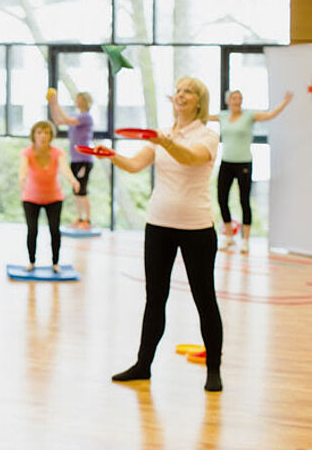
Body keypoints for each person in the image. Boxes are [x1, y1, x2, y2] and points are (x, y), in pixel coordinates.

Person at [93, 77, 223, 392]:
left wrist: (165, 143)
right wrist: (112, 155)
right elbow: (135, 164)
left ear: (199, 101)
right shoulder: (162, 134)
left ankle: (213, 370)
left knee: (204, 299)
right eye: (178, 90)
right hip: (159, 224)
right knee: (155, 298)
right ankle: (143, 365)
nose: (181, 95)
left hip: (197, 228)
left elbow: (190, 158)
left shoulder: (207, 135)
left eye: (188, 91)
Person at [208, 90, 293, 253]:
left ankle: (245, 240)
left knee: (244, 200)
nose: (237, 101)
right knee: (222, 199)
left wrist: (284, 103)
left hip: (244, 163)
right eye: (234, 98)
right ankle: (229, 236)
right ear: (228, 101)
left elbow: (269, 115)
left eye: (240, 98)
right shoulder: (222, 116)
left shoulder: (249, 116)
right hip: (226, 162)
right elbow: (201, 116)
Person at [19, 120, 80, 273]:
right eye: (39, 132)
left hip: (54, 198)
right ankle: (31, 262)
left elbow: (64, 169)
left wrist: (73, 180)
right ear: (33, 135)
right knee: (32, 230)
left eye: (46, 133)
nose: (43, 136)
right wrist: (22, 179)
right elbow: (23, 169)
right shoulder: (27, 152)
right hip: (31, 198)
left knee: (54, 230)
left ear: (51, 136)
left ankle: (55, 263)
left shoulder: (57, 152)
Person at [47, 89, 95, 229]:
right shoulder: (76, 115)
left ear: (86, 102)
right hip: (75, 158)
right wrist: (52, 104)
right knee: (76, 190)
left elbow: (67, 120)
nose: (77, 101)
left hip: (84, 159)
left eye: (80, 99)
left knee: (82, 190)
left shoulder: (86, 117)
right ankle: (80, 218)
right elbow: (58, 120)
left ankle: (87, 220)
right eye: (77, 98)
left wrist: (56, 103)